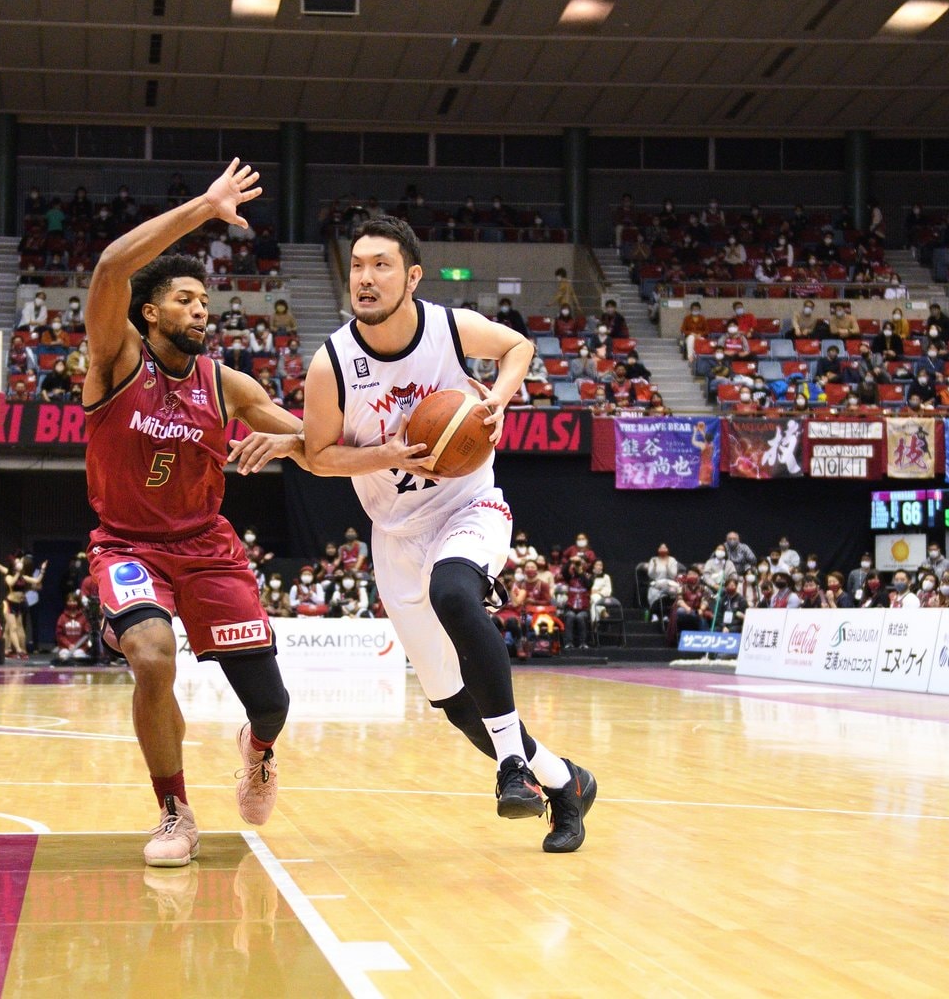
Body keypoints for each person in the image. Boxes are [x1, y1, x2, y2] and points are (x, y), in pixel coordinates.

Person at [303, 215, 596, 853]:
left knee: (457, 595)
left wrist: (501, 397)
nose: (365, 277)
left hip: (469, 504)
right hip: (396, 533)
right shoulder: (331, 363)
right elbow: (319, 455)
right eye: (356, 265)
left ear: (411, 276)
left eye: (380, 265)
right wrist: (387, 455)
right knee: (456, 704)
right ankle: (563, 781)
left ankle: (511, 768)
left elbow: (518, 345)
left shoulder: (449, 327)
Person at [83, 160, 306, 868]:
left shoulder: (226, 382)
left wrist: (389, 444)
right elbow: (112, 264)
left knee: (270, 705)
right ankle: (174, 811)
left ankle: (259, 751)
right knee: (151, 656)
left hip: (208, 548)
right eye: (185, 298)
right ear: (150, 312)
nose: (201, 310)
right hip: (127, 547)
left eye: (205, 301)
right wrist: (205, 206)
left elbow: (307, 436)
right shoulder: (115, 359)